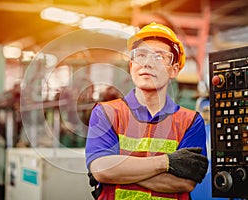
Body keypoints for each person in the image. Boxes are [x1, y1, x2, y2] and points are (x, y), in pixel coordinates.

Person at [85, 22, 208, 200]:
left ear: (174, 70)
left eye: (159, 57)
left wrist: (118, 171)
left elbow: (186, 183)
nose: (147, 63)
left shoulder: (190, 121)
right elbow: (102, 170)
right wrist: (167, 163)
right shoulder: (106, 113)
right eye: (141, 55)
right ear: (131, 66)